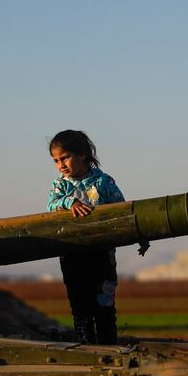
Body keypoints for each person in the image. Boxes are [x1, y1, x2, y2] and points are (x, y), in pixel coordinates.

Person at [46, 129, 125, 345]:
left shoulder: (103, 182)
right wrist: (68, 202)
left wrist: (140, 237)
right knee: (80, 308)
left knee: (104, 307)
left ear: (82, 154)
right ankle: (87, 352)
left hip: (101, 254)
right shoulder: (60, 186)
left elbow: (123, 211)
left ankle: (110, 349)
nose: (61, 164)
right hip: (72, 254)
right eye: (56, 160)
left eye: (65, 158)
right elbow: (50, 206)